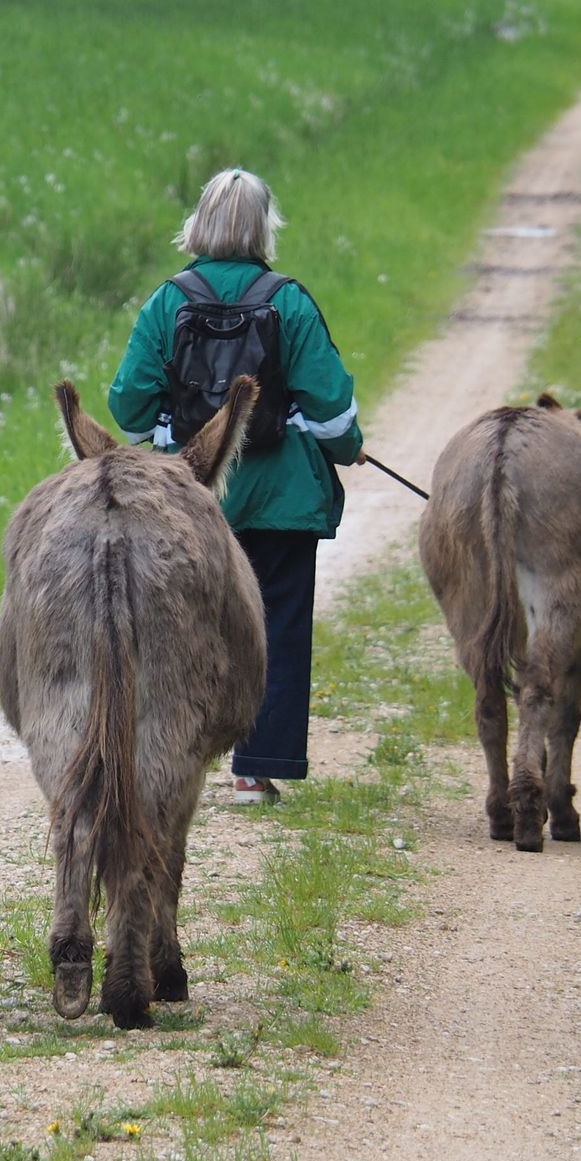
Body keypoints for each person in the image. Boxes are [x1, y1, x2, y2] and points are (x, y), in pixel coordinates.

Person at [108, 168, 364, 805]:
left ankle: (170, 753)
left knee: (180, 623)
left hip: (188, 496)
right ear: (262, 228)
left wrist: (170, 420)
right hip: (281, 500)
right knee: (276, 622)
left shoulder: (168, 301)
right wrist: (348, 450)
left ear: (199, 223)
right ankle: (257, 766)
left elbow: (128, 410)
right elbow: (333, 413)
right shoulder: (289, 302)